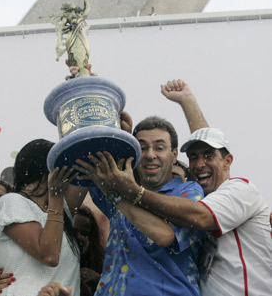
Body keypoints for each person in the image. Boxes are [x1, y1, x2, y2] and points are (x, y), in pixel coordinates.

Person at [113, 79, 272, 295]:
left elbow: (200, 216)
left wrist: (134, 192)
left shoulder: (241, 189)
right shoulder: (204, 198)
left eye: (208, 156)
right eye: (193, 157)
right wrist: (186, 101)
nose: (198, 164)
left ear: (228, 162)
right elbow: (207, 143)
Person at [74, 116, 206, 296]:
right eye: (142, 148)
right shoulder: (118, 188)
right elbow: (89, 159)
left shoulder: (189, 191)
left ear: (174, 154)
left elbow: (164, 236)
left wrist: (121, 196)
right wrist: (115, 133)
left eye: (159, 147)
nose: (151, 155)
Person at [0, 139, 81, 296]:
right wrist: (56, 195)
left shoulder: (59, 210)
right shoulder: (11, 202)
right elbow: (49, 255)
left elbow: (90, 166)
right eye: (62, 165)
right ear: (47, 168)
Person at [55, 0, 90, 77]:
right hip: (71, 39)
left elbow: (87, 10)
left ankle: (82, 70)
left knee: (83, 56)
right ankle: (77, 72)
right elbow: (61, 28)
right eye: (71, 12)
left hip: (80, 37)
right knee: (74, 57)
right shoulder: (67, 19)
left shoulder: (79, 18)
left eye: (75, 11)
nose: (74, 14)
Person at [73, 206, 104, 296]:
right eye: (73, 231)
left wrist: (99, 280)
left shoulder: (99, 263)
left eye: (84, 233)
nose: (79, 237)